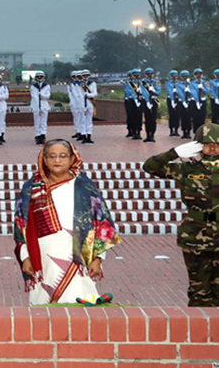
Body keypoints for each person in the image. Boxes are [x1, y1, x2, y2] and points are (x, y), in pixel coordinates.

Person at [13, 139, 122, 306]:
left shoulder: (85, 186)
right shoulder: (31, 188)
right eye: (52, 156)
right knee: (43, 304)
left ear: (72, 159)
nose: (57, 160)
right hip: (42, 256)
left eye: (63, 156)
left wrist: (98, 258)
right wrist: (26, 256)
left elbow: (102, 222)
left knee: (80, 303)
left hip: (79, 255)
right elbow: (21, 225)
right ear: (45, 159)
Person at [143, 123, 219, 306]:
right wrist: (174, 153)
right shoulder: (186, 169)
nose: (213, 148)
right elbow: (150, 167)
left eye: (217, 144)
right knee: (198, 291)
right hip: (194, 236)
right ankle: (199, 333)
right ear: (198, 146)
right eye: (207, 144)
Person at [140, 67, 161, 143]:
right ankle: (147, 135)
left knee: (153, 119)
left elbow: (158, 91)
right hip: (146, 102)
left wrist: (154, 91)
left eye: (150, 73)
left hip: (154, 101)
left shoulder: (156, 82)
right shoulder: (142, 82)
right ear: (145, 74)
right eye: (148, 74)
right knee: (147, 119)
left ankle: (152, 135)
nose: (149, 75)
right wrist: (147, 101)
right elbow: (143, 92)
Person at [30, 71, 51, 145]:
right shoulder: (33, 86)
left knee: (43, 122)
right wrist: (37, 102)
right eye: (38, 77)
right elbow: (34, 96)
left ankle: (43, 135)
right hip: (36, 105)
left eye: (41, 77)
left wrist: (42, 96)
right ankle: (38, 135)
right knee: (37, 122)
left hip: (44, 105)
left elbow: (48, 95)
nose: (39, 78)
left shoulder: (47, 86)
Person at [79, 69, 97, 144]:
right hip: (81, 104)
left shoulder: (92, 84)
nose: (85, 77)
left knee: (89, 120)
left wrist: (89, 95)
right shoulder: (79, 84)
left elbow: (95, 93)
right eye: (84, 75)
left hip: (90, 103)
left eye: (87, 75)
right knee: (82, 120)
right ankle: (83, 136)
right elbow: (78, 95)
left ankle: (89, 135)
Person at [190, 68, 208, 133]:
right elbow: (193, 93)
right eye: (197, 74)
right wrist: (197, 102)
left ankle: (202, 132)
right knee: (195, 117)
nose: (199, 75)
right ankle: (196, 131)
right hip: (195, 101)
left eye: (200, 74)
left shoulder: (205, 83)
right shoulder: (192, 83)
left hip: (202, 100)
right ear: (195, 75)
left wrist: (202, 88)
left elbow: (206, 92)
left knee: (202, 117)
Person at [68, 71, 84, 141]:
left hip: (81, 103)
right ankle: (78, 131)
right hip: (74, 104)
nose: (75, 78)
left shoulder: (82, 84)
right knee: (76, 118)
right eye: (73, 76)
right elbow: (70, 95)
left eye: (76, 76)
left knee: (81, 119)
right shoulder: (71, 85)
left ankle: (81, 133)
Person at [165, 70, 181, 137]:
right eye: (172, 76)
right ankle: (171, 130)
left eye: (175, 75)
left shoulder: (179, 83)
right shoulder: (168, 83)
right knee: (171, 114)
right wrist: (172, 100)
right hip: (170, 99)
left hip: (177, 99)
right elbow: (169, 91)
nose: (174, 77)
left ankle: (176, 130)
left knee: (177, 115)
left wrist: (177, 92)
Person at [178, 70, 194, 139]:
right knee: (183, 117)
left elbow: (194, 92)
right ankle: (184, 132)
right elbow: (180, 93)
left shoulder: (191, 84)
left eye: (186, 76)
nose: (184, 77)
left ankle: (188, 132)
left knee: (189, 117)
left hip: (190, 101)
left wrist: (189, 91)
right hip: (182, 102)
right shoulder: (179, 84)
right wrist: (184, 102)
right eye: (183, 76)